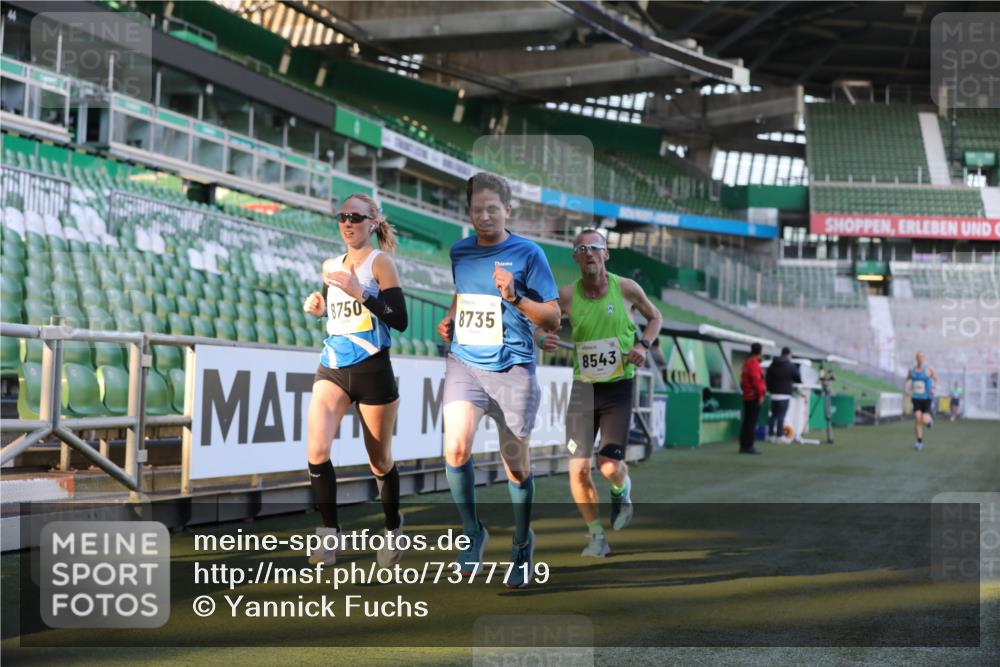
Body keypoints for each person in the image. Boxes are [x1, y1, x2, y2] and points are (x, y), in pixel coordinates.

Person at [437, 172, 560, 589]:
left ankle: (522, 543)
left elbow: (553, 317)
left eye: (492, 208)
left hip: (513, 368)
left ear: (508, 210)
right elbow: (463, 292)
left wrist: (515, 298)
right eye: (477, 209)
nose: (484, 215)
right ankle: (473, 533)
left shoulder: (529, 253)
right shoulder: (460, 251)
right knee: (455, 448)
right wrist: (451, 316)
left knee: (516, 466)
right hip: (465, 363)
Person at [538, 229, 663, 558]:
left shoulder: (626, 288)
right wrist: (542, 338)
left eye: (595, 247)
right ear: (576, 258)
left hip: (619, 386)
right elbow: (542, 324)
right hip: (584, 388)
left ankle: (622, 488)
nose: (589, 253)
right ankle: (595, 535)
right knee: (577, 468)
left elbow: (655, 317)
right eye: (581, 249)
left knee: (608, 467)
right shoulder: (566, 296)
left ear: (606, 254)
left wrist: (643, 344)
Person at [302, 193, 409, 568]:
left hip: (373, 368)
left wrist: (361, 292)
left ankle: (393, 527)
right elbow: (337, 315)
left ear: (372, 223)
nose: (348, 223)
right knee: (316, 449)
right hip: (332, 364)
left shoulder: (382, 264)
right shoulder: (330, 264)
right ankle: (329, 533)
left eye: (357, 217)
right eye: (343, 216)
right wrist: (320, 309)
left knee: (378, 460)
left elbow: (399, 320)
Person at [765, 347, 801, 443]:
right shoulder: (790, 365)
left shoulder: (772, 365)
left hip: (773, 394)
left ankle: (770, 435)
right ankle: (779, 436)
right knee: (781, 415)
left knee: (773, 415)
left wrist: (770, 389)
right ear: (789, 354)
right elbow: (798, 378)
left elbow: (767, 379)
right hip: (784, 394)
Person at [903, 351, 937, 451]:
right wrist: (905, 389)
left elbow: (936, 379)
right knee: (917, 419)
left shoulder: (928, 369)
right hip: (916, 399)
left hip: (926, 399)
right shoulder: (912, 370)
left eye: (922, 357)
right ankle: (919, 442)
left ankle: (930, 421)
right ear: (916, 358)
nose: (920, 359)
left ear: (924, 358)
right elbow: (906, 379)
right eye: (918, 357)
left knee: (924, 419)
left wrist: (934, 388)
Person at [740, 342, 766, 455]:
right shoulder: (754, 363)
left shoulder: (746, 362)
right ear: (760, 352)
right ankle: (748, 446)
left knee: (747, 421)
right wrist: (760, 395)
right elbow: (757, 381)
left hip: (747, 395)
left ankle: (744, 445)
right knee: (751, 422)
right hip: (753, 396)